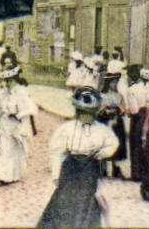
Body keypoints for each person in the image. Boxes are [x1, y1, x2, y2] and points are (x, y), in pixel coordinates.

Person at [37, 88, 121, 229]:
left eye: (89, 113)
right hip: (71, 167)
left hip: (90, 168)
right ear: (77, 112)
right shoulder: (67, 129)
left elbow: (113, 143)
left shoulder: (101, 130)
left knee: (87, 199)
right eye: (83, 113)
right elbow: (57, 151)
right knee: (65, 199)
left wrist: (102, 153)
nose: (86, 117)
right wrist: (56, 174)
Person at [0, 61, 36, 186]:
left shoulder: (21, 92)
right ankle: (0, 175)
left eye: (9, 80)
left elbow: (32, 109)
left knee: (14, 151)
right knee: (3, 149)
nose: (7, 84)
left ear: (14, 79)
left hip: (16, 125)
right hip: (3, 125)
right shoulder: (3, 93)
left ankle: (12, 175)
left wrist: (18, 114)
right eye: (6, 81)